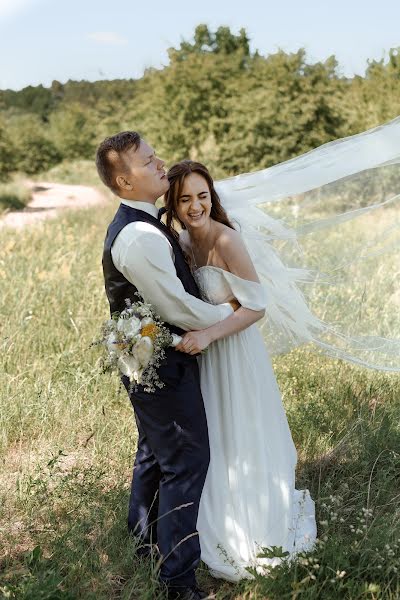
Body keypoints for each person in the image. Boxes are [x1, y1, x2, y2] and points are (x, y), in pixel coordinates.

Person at [96, 132, 239, 600]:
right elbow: (176, 307)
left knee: (156, 453)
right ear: (124, 179)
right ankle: (178, 581)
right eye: (148, 161)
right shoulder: (137, 235)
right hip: (162, 363)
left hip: (148, 360)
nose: (160, 164)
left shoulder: (144, 223)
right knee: (186, 460)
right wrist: (230, 317)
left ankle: (142, 542)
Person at [164, 160, 317, 581]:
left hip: (233, 349)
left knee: (243, 429)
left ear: (212, 196)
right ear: (173, 204)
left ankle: (254, 523)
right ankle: (215, 516)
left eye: (202, 196)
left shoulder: (227, 240)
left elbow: (256, 306)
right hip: (206, 355)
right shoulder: (181, 242)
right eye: (185, 199)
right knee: (214, 432)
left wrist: (211, 335)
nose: (196, 206)